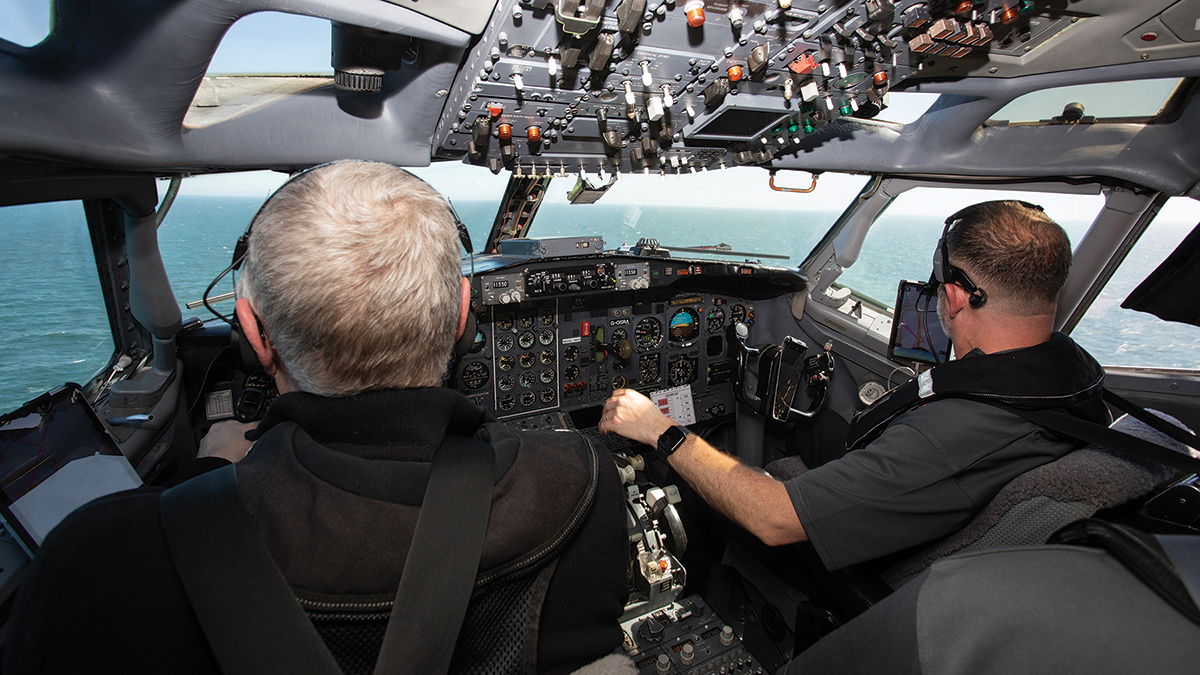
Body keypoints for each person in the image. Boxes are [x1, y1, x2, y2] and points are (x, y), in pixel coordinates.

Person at [6, 161, 629, 674]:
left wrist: (208, 472)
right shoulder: (582, 484)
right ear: (463, 316)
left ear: (253, 334)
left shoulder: (97, 565)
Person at [599, 200, 1110, 572]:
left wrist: (660, 430)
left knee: (698, 503)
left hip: (876, 577)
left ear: (954, 297)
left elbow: (776, 519)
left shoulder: (951, 434)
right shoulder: (1078, 379)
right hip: (959, 543)